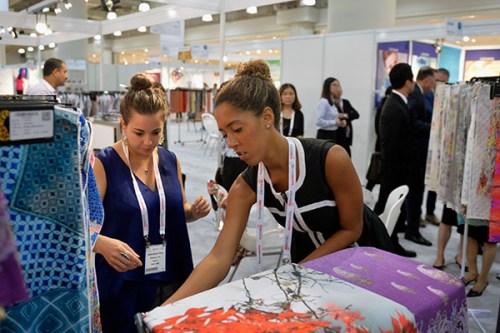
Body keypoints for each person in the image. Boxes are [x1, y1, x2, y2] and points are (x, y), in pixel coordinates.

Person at [164, 59, 363, 305]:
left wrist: (298, 272)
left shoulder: (330, 159)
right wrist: (164, 309)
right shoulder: (246, 184)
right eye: (225, 134)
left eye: (237, 129)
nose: (231, 143)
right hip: (308, 274)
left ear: (267, 117)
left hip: (359, 264)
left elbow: (352, 228)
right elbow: (218, 258)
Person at [92, 73, 211, 332]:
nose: (148, 142)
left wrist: (194, 212)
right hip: (125, 279)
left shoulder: (170, 160)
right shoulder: (104, 164)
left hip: (171, 271)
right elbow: (81, 227)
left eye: (156, 132)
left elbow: (176, 212)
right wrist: (101, 244)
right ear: (123, 125)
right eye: (139, 133)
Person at [373, 63, 417, 258]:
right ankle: (379, 242)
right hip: (394, 168)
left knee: (392, 208)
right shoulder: (393, 106)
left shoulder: (398, 103)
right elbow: (389, 143)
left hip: (398, 167)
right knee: (386, 206)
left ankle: (391, 242)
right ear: (408, 82)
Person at [404, 66, 435, 247]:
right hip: (415, 153)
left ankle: (410, 226)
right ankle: (412, 230)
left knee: (415, 192)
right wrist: (433, 128)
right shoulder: (415, 95)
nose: (432, 86)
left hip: (419, 152)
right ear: (425, 80)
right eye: (432, 82)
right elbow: (413, 123)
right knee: (415, 193)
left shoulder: (421, 94)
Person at [422, 68, 450, 227]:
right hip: (425, 142)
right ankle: (417, 214)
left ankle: (430, 212)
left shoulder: (447, 97)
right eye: (436, 80)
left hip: (439, 146)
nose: (438, 84)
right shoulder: (423, 95)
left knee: (434, 182)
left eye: (442, 82)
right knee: (419, 183)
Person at [366, 86, 392, 191]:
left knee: (378, 172)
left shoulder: (386, 106)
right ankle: (367, 191)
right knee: (376, 171)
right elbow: (378, 127)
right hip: (382, 145)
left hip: (382, 144)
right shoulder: (384, 107)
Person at [330, 78, 360, 157]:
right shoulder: (330, 103)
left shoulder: (345, 102)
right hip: (336, 135)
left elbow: (356, 114)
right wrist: (347, 114)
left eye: (339, 87)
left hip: (347, 135)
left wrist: (345, 115)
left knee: (347, 157)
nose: (338, 89)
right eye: (335, 86)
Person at [316, 77, 345, 143]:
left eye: (338, 85)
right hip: (324, 134)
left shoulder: (333, 101)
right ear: (327, 86)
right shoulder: (324, 102)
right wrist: (334, 122)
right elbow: (318, 121)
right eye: (334, 85)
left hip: (333, 133)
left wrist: (339, 122)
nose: (337, 87)